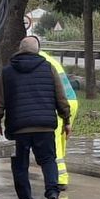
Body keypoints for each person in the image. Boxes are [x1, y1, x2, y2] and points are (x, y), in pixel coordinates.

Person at [0, 35, 72, 199]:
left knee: (20, 168)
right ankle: (52, 192)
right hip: (44, 127)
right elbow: (61, 98)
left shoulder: (8, 71)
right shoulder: (48, 68)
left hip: (18, 128)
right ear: (38, 50)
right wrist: (66, 120)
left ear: (20, 49)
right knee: (48, 161)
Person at [39, 47, 79, 191]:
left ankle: (59, 179)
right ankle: (59, 176)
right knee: (60, 143)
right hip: (71, 100)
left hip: (60, 103)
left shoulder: (40, 62)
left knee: (53, 143)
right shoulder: (48, 59)